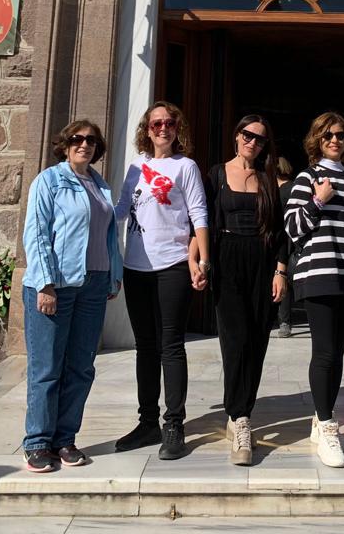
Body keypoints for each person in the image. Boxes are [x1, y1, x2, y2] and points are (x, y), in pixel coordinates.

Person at [22, 120, 123, 473]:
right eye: (77, 139)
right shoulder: (49, 181)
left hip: (93, 285)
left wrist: (113, 275)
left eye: (91, 140)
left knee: (81, 366)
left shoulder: (99, 185)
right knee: (47, 367)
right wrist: (45, 284)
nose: (85, 145)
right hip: (56, 284)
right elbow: (36, 234)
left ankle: (64, 439)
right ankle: (37, 442)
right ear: (65, 145)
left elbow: (108, 236)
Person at [114, 101, 209, 460]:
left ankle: (174, 424)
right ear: (147, 130)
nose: (163, 129)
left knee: (171, 345)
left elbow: (199, 213)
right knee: (145, 346)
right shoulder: (136, 167)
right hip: (136, 267)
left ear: (177, 128)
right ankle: (147, 422)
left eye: (169, 123)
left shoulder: (186, 166)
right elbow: (121, 210)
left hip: (173, 265)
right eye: (156, 124)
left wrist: (203, 259)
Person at [285, 112, 344, 468]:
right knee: (323, 353)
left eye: (340, 135)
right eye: (327, 136)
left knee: (337, 354)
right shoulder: (308, 177)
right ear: (317, 141)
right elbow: (292, 227)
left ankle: (321, 422)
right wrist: (317, 200)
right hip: (319, 274)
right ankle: (327, 426)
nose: (335, 140)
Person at [203, 115, 287, 466]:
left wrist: (280, 271)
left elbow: (279, 229)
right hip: (227, 259)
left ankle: (241, 411)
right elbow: (203, 221)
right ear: (237, 136)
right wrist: (199, 261)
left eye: (260, 139)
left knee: (257, 340)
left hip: (262, 261)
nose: (253, 142)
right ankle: (239, 416)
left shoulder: (268, 179)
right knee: (235, 339)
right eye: (248, 135)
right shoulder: (216, 175)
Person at [276, 156, 295, 338]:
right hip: (293, 239)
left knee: (284, 278)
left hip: (285, 240)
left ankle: (284, 322)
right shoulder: (294, 187)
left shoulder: (282, 190)